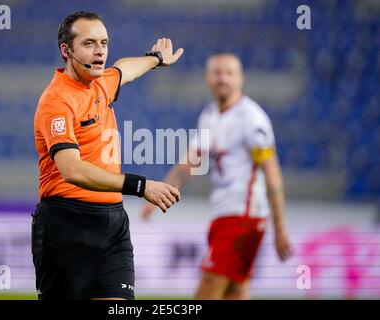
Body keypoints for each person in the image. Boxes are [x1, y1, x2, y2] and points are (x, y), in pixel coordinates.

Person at [32, 11, 183, 300]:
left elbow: (125, 68)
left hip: (112, 222)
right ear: (67, 50)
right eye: (89, 43)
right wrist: (141, 186)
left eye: (104, 42)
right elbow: (72, 170)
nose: (99, 50)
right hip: (67, 224)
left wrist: (155, 59)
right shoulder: (56, 101)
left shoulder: (101, 82)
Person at [141, 53, 293, 300]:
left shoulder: (251, 119)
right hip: (224, 215)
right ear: (207, 77)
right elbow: (191, 162)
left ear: (241, 78)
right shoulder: (210, 115)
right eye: (217, 72)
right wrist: (159, 195)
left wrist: (280, 228)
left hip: (243, 217)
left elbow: (272, 173)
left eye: (229, 73)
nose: (222, 78)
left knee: (207, 291)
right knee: (235, 292)